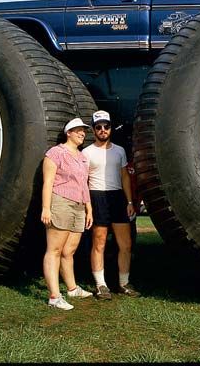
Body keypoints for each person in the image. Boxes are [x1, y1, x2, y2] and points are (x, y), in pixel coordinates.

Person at [82, 110, 140, 300]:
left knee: (126, 244)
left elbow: (124, 176)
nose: (103, 130)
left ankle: (124, 283)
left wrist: (129, 201)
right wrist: (88, 206)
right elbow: (83, 181)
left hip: (118, 198)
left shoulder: (120, 150)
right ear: (93, 130)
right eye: (98, 127)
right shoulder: (87, 152)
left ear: (110, 128)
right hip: (97, 196)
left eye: (106, 126)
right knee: (99, 242)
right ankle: (101, 285)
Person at [41, 117, 94, 310]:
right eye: (78, 130)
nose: (82, 133)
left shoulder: (82, 157)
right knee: (54, 250)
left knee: (69, 251)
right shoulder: (55, 153)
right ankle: (54, 296)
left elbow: (84, 185)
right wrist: (46, 208)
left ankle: (72, 288)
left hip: (79, 206)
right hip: (61, 203)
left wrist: (89, 209)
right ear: (68, 133)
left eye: (84, 131)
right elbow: (48, 182)